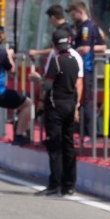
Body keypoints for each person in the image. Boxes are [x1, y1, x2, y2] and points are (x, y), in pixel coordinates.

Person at [38, 28, 82, 197]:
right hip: (70, 105)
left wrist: (39, 81)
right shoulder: (74, 61)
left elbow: (48, 85)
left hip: (56, 106)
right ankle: (69, 185)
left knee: (55, 146)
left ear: (54, 45)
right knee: (69, 144)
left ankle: (54, 184)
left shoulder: (56, 61)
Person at [0, 26, 33, 147]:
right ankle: (18, 135)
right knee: (28, 103)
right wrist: (9, 56)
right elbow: (12, 72)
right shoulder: (1, 53)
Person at [68, 1, 106, 141]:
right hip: (80, 68)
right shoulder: (83, 27)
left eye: (73, 14)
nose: (72, 17)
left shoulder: (88, 27)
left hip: (86, 67)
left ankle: (89, 133)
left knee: (86, 99)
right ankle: (82, 131)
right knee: (81, 99)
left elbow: (97, 47)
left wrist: (75, 50)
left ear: (79, 11)